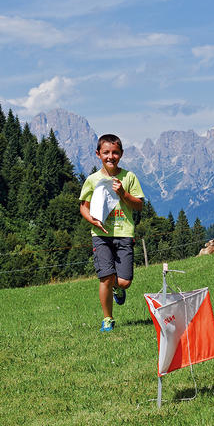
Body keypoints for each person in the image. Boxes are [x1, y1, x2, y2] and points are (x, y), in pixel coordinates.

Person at [79, 134, 144, 332]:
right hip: (100, 235)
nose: (111, 156)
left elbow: (139, 205)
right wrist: (93, 221)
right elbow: (84, 206)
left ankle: (118, 287)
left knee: (124, 282)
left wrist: (123, 194)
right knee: (105, 277)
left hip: (124, 233)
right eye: (106, 152)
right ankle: (108, 319)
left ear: (121, 154)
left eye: (115, 152)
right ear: (98, 154)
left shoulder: (129, 177)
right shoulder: (92, 180)